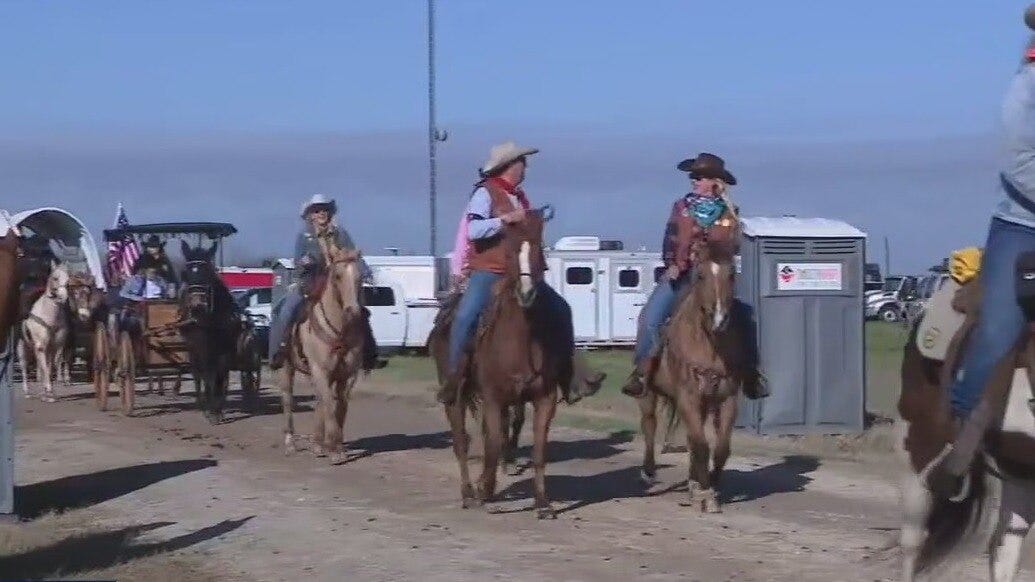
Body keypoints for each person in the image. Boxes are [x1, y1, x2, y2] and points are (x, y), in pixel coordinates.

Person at [437, 141, 605, 405]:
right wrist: (504, 219)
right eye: (522, 161)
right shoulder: (485, 193)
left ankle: (569, 376)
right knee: (465, 316)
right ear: (509, 166)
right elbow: (473, 231)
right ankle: (455, 376)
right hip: (490, 271)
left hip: (522, 272)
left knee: (561, 310)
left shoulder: (521, 197)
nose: (526, 166)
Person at [944, 7, 1035, 432]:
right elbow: (1020, 162)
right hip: (1024, 226)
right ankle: (962, 420)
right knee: (1000, 328)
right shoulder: (1026, 91)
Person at [620, 153, 763, 399]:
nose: (694, 180)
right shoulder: (681, 208)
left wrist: (721, 223)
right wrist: (672, 264)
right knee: (650, 318)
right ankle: (642, 372)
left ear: (715, 182)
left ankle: (751, 374)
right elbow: (670, 239)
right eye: (693, 176)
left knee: (745, 318)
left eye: (700, 177)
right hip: (682, 275)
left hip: (714, 277)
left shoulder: (729, 212)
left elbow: (732, 246)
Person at [268, 194, 386, 372]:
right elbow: (298, 261)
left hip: (338, 281)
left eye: (324, 209)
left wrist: (365, 271)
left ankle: (370, 354)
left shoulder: (341, 233)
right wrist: (309, 261)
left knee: (360, 312)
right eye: (317, 210)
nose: (321, 213)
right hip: (310, 281)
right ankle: (280, 350)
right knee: (285, 309)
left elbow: (353, 255)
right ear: (310, 215)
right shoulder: (304, 236)